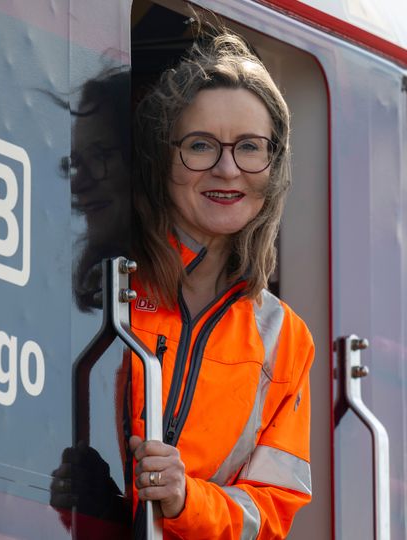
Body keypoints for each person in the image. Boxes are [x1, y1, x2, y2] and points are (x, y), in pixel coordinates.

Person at [121, 26, 315, 539]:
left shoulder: (285, 339)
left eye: (250, 147)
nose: (228, 169)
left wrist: (186, 499)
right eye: (201, 145)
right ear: (162, 160)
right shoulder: (107, 278)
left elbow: (269, 512)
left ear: (274, 166)